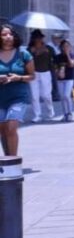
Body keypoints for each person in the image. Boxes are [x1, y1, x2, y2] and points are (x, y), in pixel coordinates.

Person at [0, 24, 34, 158]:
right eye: (4, 34)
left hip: (18, 97)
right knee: (3, 129)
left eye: (10, 34)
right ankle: (8, 158)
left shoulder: (23, 54)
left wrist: (18, 77)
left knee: (11, 126)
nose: (8, 37)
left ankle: (13, 161)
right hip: (1, 98)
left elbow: (32, 76)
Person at [27, 30, 55, 122]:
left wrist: (56, 69)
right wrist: (34, 53)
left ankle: (50, 111)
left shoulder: (48, 48)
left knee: (46, 95)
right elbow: (26, 61)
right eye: (37, 38)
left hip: (45, 73)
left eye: (40, 37)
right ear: (34, 39)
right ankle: (37, 115)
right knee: (34, 96)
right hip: (33, 73)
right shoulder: (29, 49)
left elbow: (54, 59)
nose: (39, 39)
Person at [54, 39, 74, 122]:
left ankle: (70, 113)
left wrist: (67, 54)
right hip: (60, 79)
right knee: (62, 97)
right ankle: (65, 114)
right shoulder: (57, 57)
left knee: (66, 95)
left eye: (67, 46)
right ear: (61, 47)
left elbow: (71, 65)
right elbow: (55, 68)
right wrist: (58, 73)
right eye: (64, 46)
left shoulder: (72, 55)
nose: (66, 47)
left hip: (69, 79)